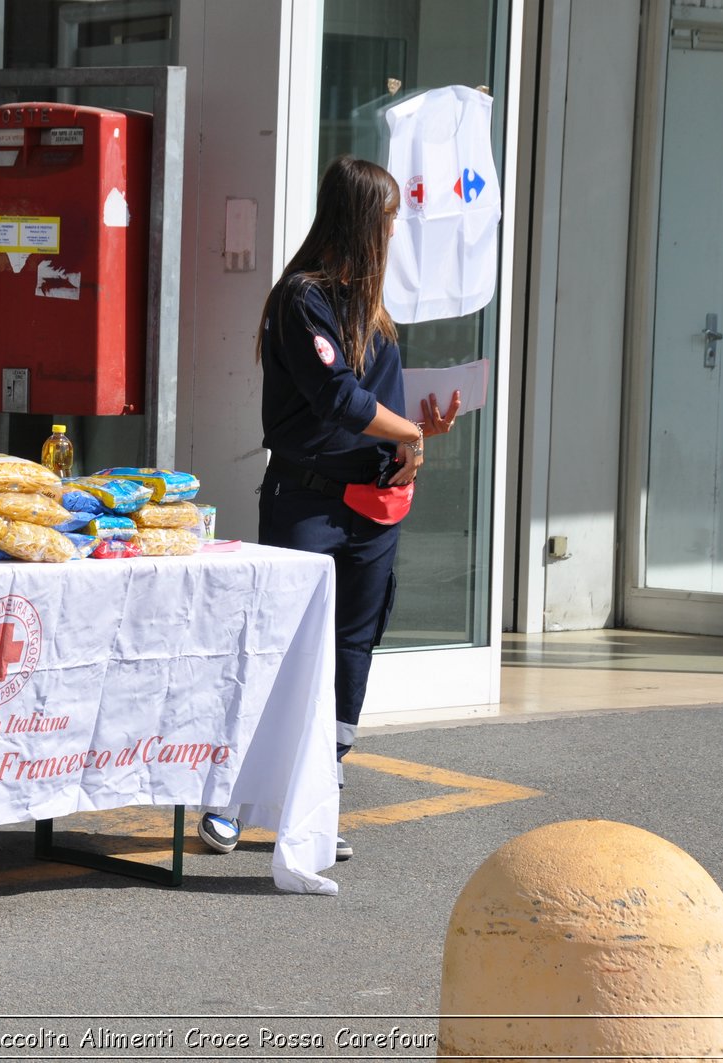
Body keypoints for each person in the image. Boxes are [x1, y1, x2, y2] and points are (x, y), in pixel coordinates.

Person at [198, 156, 460, 863]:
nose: (395, 232)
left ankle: (319, 795)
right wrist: (404, 431)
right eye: (388, 220)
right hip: (308, 498)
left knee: (352, 646)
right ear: (361, 221)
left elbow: (384, 408)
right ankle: (229, 799)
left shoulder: (374, 307)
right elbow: (338, 399)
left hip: (373, 504)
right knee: (281, 644)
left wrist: (416, 442)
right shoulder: (301, 300)